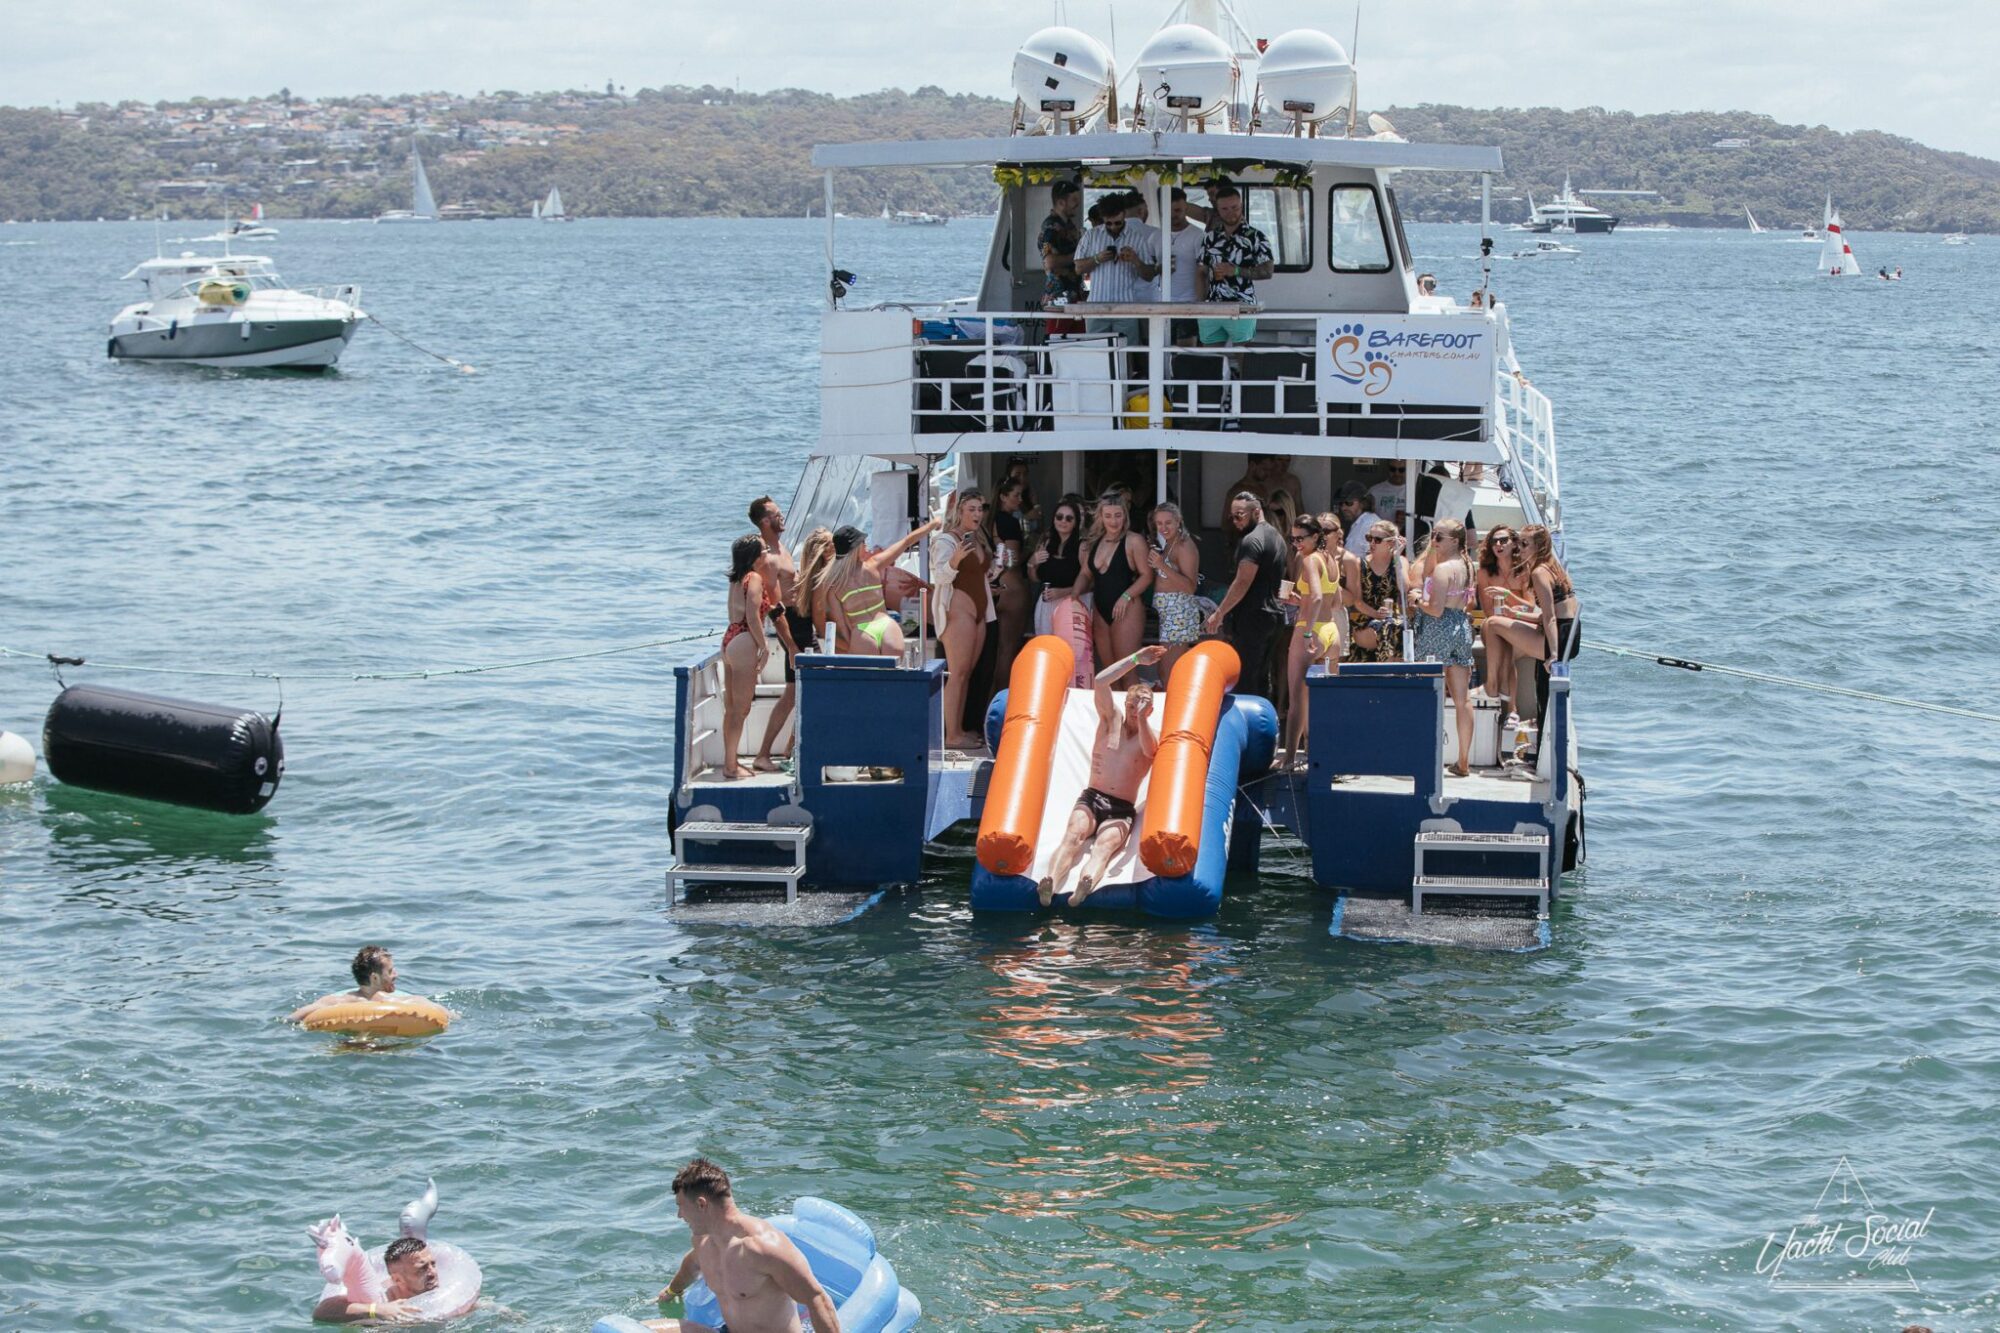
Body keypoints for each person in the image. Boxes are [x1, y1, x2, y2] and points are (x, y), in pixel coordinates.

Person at [1036, 647, 1167, 908]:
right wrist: (1135, 659)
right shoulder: (1110, 720)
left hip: (1121, 809)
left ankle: (1084, 886)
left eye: (1140, 707)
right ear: (1124, 704)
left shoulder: (1152, 734)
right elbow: (1100, 681)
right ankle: (1050, 880)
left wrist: (1141, 717)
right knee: (1073, 836)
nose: (1133, 710)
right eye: (1131, 705)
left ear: (1150, 711)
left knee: (1104, 848)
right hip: (1092, 798)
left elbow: (1149, 751)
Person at [647, 1158, 840, 1333]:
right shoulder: (704, 1241)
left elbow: (818, 1300)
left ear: (701, 1204)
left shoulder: (764, 1248)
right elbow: (692, 1264)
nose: (679, 1215)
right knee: (640, 1330)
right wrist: (672, 1290)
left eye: (681, 1206)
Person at [1409, 518, 1478, 776]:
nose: (1433, 541)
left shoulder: (1443, 569)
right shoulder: (1467, 565)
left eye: (1439, 537)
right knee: (1463, 699)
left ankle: (1427, 757)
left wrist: (1417, 601)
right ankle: (1463, 760)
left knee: (1430, 694)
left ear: (1455, 541)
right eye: (1433, 535)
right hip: (1461, 626)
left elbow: (1435, 610)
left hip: (1438, 629)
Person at [1203, 492, 1287, 700]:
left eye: (1239, 515)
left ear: (1256, 512)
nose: (1235, 522)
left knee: (1246, 677)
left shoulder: (1252, 540)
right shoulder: (1277, 537)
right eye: (1232, 517)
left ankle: (1249, 727)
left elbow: (1242, 582)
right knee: (1262, 676)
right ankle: (1265, 725)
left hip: (1254, 616)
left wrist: (1219, 613)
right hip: (1273, 615)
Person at [825, 517, 941, 659]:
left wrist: (854, 644)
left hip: (861, 633)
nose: (866, 545)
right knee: (895, 678)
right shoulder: (873, 565)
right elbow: (906, 542)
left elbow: (841, 627)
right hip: (887, 626)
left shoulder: (834, 585)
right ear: (854, 548)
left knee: (870, 680)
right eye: (863, 543)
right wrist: (932, 524)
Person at [932, 490, 996, 750]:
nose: (977, 514)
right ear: (960, 511)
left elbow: (980, 574)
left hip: (980, 612)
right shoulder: (947, 541)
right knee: (957, 674)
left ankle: (957, 730)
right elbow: (940, 576)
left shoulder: (978, 539)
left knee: (967, 673)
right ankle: (951, 735)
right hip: (958, 612)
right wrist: (955, 561)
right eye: (971, 509)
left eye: (980, 509)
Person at [1281, 513, 1344, 769]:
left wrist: (1307, 631)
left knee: (1297, 702)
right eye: (1293, 538)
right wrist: (1301, 600)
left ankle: (1287, 760)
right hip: (1332, 632)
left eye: (1301, 538)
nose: (1296, 543)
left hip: (1312, 632)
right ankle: (1321, 755)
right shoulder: (1332, 559)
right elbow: (1336, 601)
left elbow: (1317, 597)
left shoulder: (1309, 561)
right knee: (1325, 701)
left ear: (1316, 536)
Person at [750, 498, 802, 772]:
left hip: (802, 622)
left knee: (802, 691)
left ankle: (790, 748)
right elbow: (774, 606)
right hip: (790, 625)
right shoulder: (767, 559)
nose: (782, 516)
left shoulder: (782, 547)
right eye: (776, 514)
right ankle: (763, 754)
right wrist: (791, 644)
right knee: (793, 693)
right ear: (765, 522)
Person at [1074, 192, 1160, 355]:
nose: (1113, 227)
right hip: (1096, 307)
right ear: (1102, 218)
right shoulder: (1091, 236)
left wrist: (1135, 260)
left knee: (1126, 355)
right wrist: (1097, 259)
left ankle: (1126, 380)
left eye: (1118, 223)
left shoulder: (1137, 237)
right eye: (1109, 223)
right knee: (1096, 354)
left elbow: (1149, 275)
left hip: (1126, 307)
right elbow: (1078, 268)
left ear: (1124, 215)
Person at [1081, 491, 1154, 678]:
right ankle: (1112, 709)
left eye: (1118, 515)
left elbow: (1147, 575)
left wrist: (1126, 596)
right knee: (1108, 675)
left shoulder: (1134, 541)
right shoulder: (1094, 543)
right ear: (1100, 517)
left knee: (1127, 672)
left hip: (1127, 608)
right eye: (1108, 516)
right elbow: (1085, 574)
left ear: (1125, 515)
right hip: (1101, 610)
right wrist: (1073, 597)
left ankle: (1134, 707)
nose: (1113, 521)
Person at [720, 535, 774, 780]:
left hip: (730, 637)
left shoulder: (736, 579)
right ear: (755, 556)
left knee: (731, 709)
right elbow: (753, 617)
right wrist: (764, 647)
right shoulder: (755, 578)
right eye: (764, 550)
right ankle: (731, 766)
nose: (767, 553)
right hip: (744, 640)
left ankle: (730, 761)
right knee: (740, 709)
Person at [1195, 182, 1273, 346]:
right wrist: (1201, 305)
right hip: (1212, 307)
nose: (1231, 213)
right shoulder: (1210, 238)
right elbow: (1201, 272)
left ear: (1242, 206)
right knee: (1211, 359)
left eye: (1234, 207)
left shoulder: (1256, 237)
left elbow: (1267, 271)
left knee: (1244, 356)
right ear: (1217, 209)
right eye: (1225, 209)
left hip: (1243, 305)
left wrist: (1237, 271)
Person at [1028, 494, 1094, 688]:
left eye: (1069, 518)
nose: (1063, 522)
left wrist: (1064, 592)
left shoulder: (1082, 546)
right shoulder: (1046, 542)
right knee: (1047, 652)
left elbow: (1090, 583)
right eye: (1059, 517)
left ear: (1076, 522)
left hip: (1072, 605)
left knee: (1074, 656)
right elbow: (1035, 579)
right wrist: (1032, 563)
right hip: (1046, 603)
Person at [313, 1235, 437, 1324]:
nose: (433, 1272)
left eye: (433, 1264)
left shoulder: (448, 1290)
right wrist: (376, 1310)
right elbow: (321, 1312)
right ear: (398, 1280)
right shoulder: (382, 1297)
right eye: (422, 1268)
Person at [1473, 526, 1530, 713]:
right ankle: (1510, 707)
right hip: (1495, 625)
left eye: (1503, 540)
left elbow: (1530, 606)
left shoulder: (1524, 570)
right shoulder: (1484, 573)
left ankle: (1495, 690)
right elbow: (1489, 610)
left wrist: (1508, 597)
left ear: (1514, 543)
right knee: (1492, 625)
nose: (1498, 544)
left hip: (1519, 623)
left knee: (1508, 646)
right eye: (1494, 541)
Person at [1146, 502, 1203, 686]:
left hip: (1179, 614)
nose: (1163, 528)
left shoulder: (1184, 545)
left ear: (1178, 521)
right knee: (1164, 670)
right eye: (1159, 523)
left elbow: (1190, 586)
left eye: (1168, 523)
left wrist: (1162, 565)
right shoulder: (1169, 543)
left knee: (1170, 672)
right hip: (1169, 615)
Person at [289, 946, 414, 1024]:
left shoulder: (336, 1001)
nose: (396, 975)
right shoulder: (393, 1001)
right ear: (375, 978)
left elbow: (291, 1019)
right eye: (390, 971)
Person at [990, 477, 1033, 699]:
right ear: (1003, 496)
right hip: (1012, 585)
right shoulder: (1009, 522)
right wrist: (1033, 548)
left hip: (994, 586)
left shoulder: (990, 520)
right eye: (1015, 495)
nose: (1019, 500)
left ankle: (991, 698)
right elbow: (1012, 560)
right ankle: (1003, 699)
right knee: (1009, 649)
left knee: (995, 650)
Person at [1346, 520, 1407, 663]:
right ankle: (1389, 674)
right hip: (1364, 617)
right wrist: (1375, 614)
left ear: (1391, 543)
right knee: (1388, 628)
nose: (1372, 543)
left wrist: (1397, 557)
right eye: (1369, 538)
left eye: (1377, 540)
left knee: (1396, 627)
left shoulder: (1400, 562)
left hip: (1392, 619)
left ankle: (1391, 673)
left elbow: (1404, 589)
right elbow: (1357, 601)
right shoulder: (1359, 563)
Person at [1163, 187, 1207, 344]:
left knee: (1186, 352)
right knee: (1161, 353)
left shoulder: (1198, 235)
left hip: (1190, 303)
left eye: (1178, 210)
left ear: (1186, 209)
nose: (1174, 215)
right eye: (1169, 210)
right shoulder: (1157, 235)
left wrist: (1200, 305)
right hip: (1162, 303)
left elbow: (1203, 271)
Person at [1038, 180, 1084, 309]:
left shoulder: (1069, 226)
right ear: (1061, 203)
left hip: (1075, 293)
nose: (1078, 203)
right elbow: (1049, 262)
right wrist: (1078, 256)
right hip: (1058, 297)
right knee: (1059, 330)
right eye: (1074, 200)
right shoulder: (1050, 228)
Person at [1336, 480, 1386, 559]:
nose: (1343, 508)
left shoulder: (1370, 524)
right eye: (1341, 504)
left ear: (1363, 503)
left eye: (1349, 503)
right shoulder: (1358, 523)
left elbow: (1373, 558)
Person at [1367, 460, 1408, 527]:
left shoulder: (1414, 491)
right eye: (1393, 469)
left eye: (1401, 470)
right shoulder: (1374, 491)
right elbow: (1366, 517)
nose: (1396, 473)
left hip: (1409, 534)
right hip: (1381, 535)